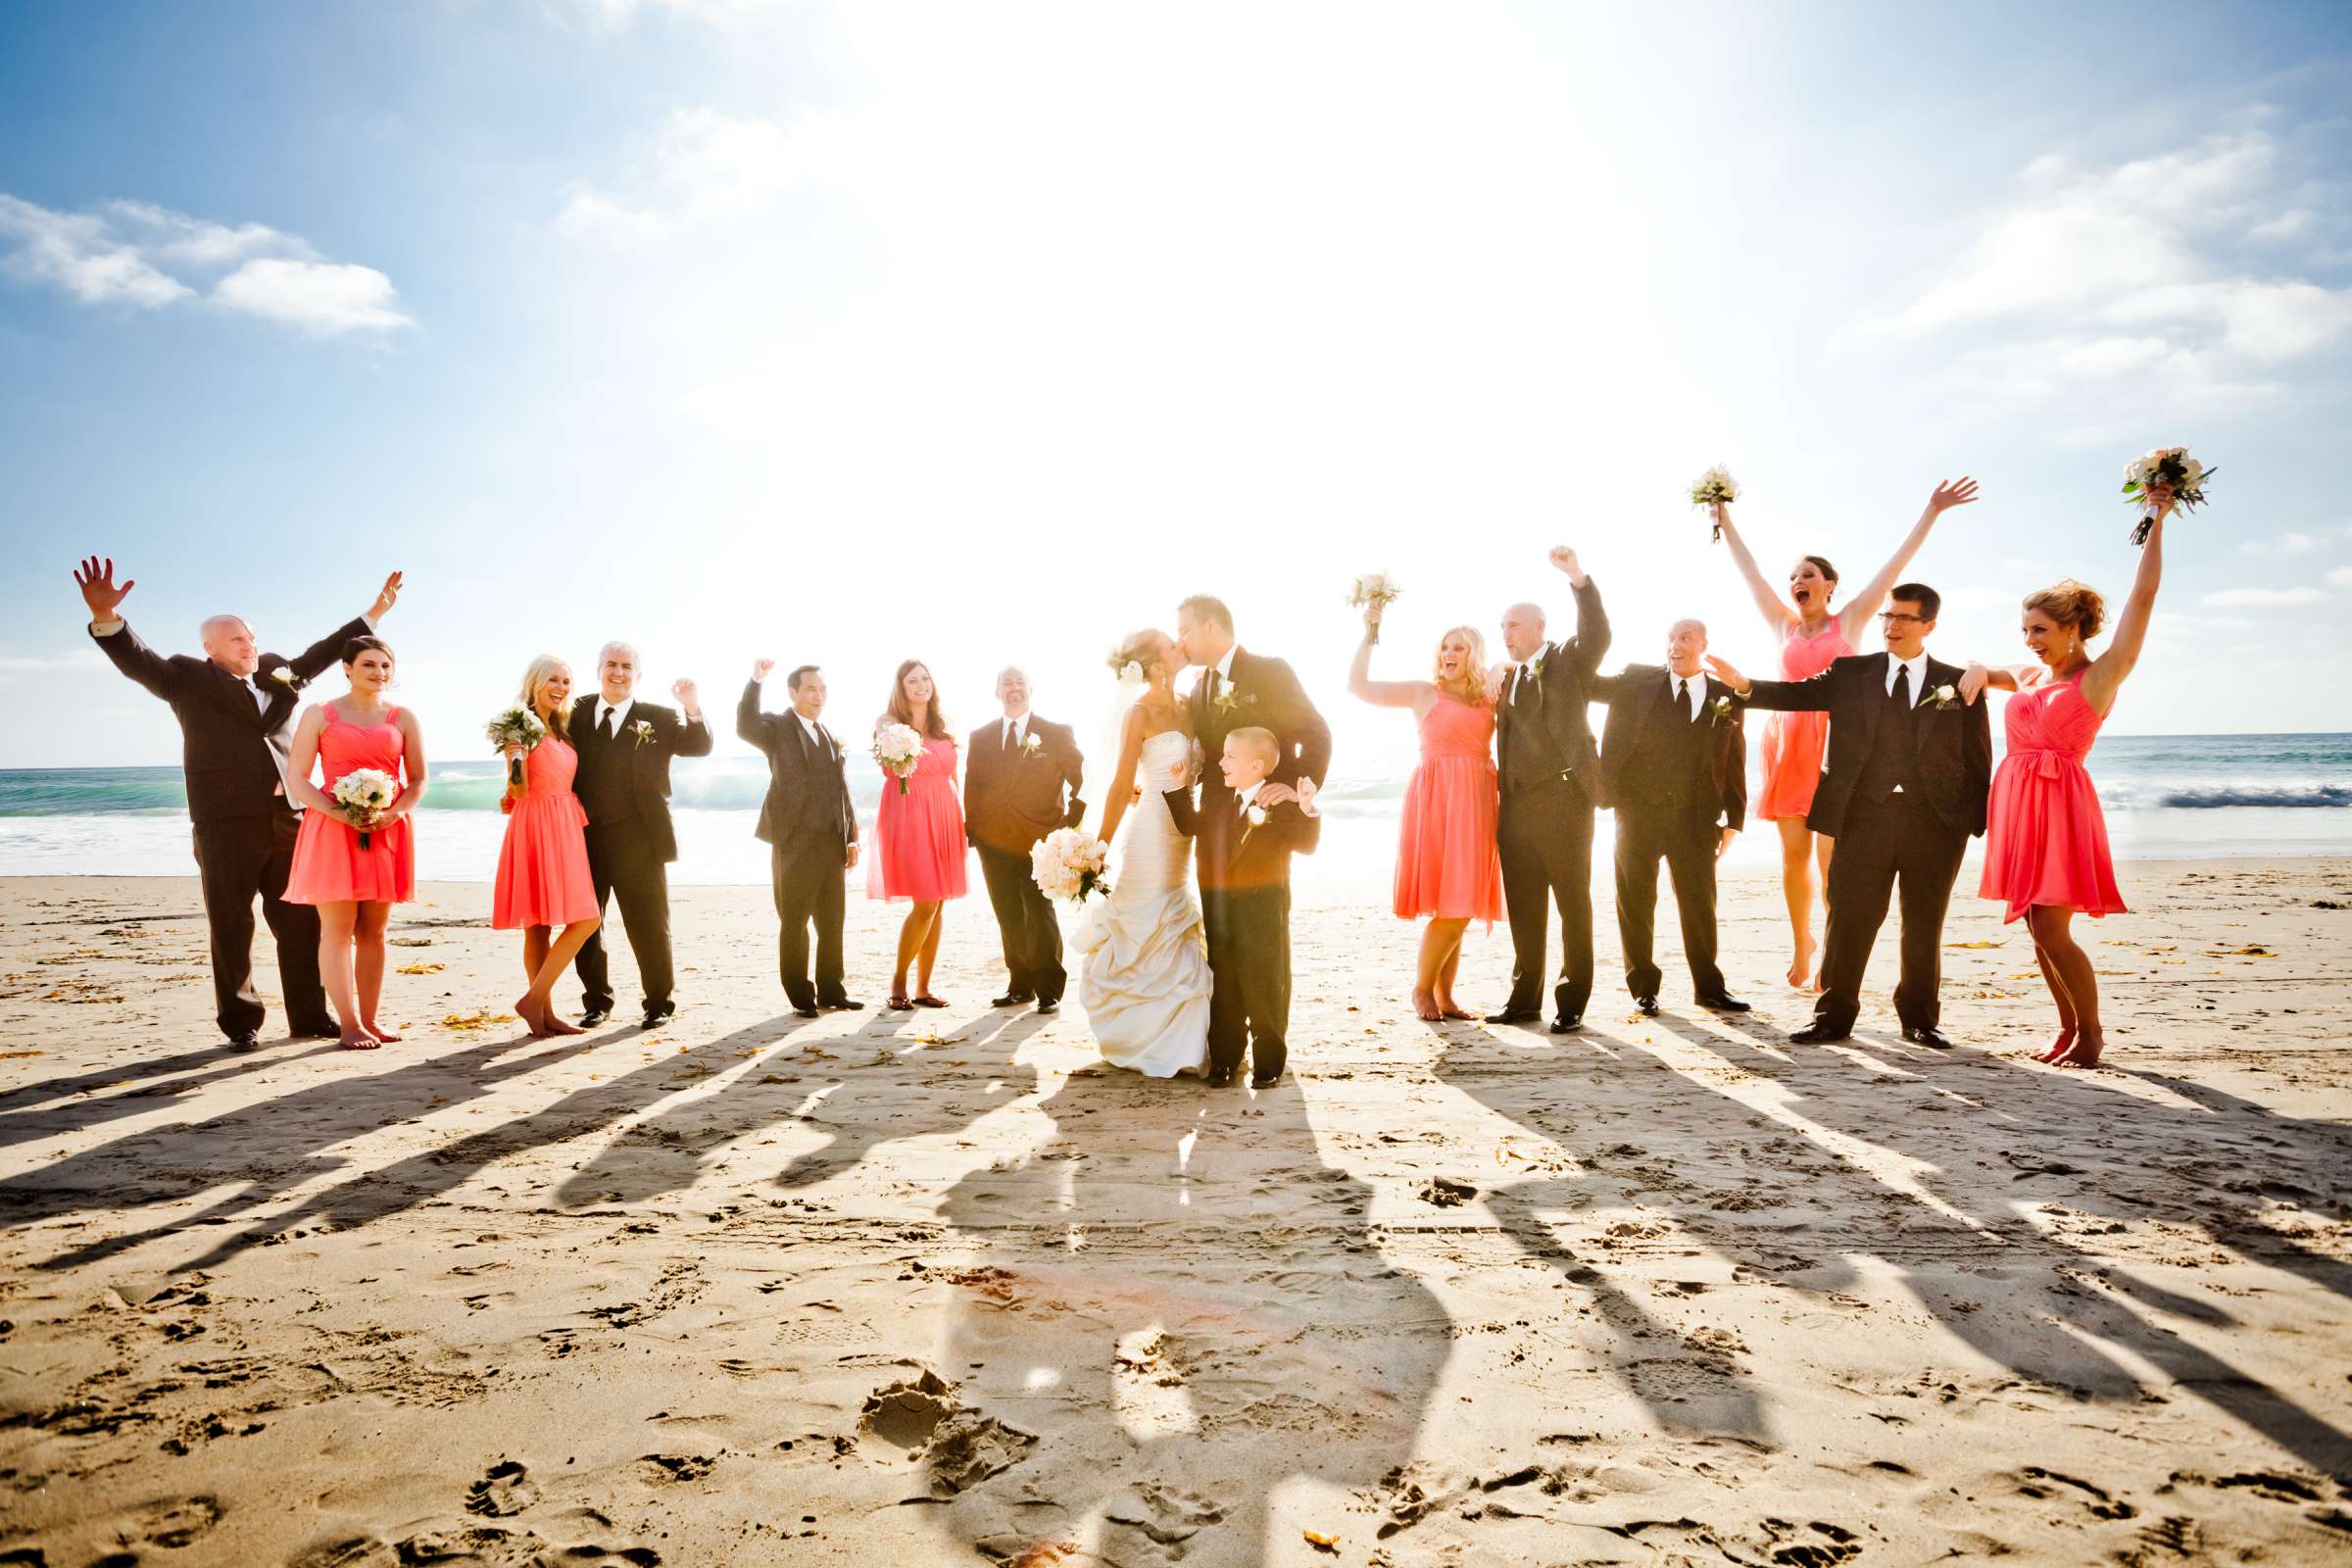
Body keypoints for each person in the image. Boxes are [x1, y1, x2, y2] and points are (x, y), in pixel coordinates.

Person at [74, 556, 402, 1050]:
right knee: (231, 921)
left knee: (301, 920)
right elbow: (139, 660)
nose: (247, 644)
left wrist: (373, 613)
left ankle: (310, 1016)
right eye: (235, 639)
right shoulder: (186, 679)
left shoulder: (276, 673)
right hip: (225, 821)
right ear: (210, 649)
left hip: (290, 816)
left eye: (249, 636)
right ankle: (241, 1020)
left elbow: (320, 652)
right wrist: (107, 621)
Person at [1710, 479, 1979, 989]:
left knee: (1833, 861)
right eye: (1793, 576)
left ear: (1830, 585)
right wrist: (1724, 518)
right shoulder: (1783, 624)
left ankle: (1834, 951)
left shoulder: (1851, 620)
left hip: (1840, 745)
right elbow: (1748, 572)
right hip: (1787, 741)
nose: (1797, 580)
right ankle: (1802, 944)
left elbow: (1894, 568)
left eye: (1808, 574)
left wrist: (1932, 509)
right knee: (1793, 856)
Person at [1707, 582, 1991, 1048]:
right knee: (1850, 918)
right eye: (1887, 616)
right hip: (1863, 817)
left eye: (1903, 618)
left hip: (1935, 824)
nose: (1891, 625)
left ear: (1929, 626)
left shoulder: (1957, 681)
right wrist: (1744, 686)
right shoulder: (1851, 671)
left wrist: (1970, 821)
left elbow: (1977, 756)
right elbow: (1795, 696)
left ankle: (1919, 1019)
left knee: (1924, 922)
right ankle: (1833, 1017)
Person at [1966, 496, 2172, 1069]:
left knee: (2053, 928)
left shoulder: (2100, 676)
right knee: (2036, 927)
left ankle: (2092, 1034)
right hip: (2019, 806)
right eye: (2025, 629)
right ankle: (2066, 1029)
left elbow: (2143, 598)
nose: (2030, 639)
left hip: (2059, 807)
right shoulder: (2032, 673)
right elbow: (1997, 675)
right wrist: (1980, 670)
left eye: (2040, 629)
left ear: (2074, 627)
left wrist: (2156, 521)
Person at [1175, 594, 1332, 1059]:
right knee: (1221, 938)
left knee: (1265, 941)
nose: (1181, 640)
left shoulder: (1270, 671)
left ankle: (1269, 1045)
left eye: (1185, 630)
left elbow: (1316, 733)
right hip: (1216, 831)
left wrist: (1296, 788)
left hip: (1265, 828)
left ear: (1209, 627)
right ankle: (1227, 1046)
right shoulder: (1200, 688)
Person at [1347, 609, 1501, 1021]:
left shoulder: (1488, 697)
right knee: (1451, 906)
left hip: (1477, 799)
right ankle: (1421, 991)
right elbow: (1358, 686)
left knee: (1461, 902)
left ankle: (1446, 996)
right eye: (1445, 647)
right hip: (1437, 797)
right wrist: (1369, 633)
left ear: (1474, 655)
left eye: (1459, 647)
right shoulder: (1422, 692)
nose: (1449, 653)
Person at [1587, 620, 1746, 1018]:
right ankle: (1643, 989)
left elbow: (1735, 760)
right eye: (1671, 639)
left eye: (1685, 639)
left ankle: (1709, 989)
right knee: (1636, 901)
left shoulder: (1725, 694)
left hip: (1696, 817)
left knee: (1700, 903)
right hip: (1637, 813)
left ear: (1703, 645)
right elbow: (1585, 684)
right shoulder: (1636, 679)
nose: (1675, 646)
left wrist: (1734, 820)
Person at [1075, 630, 1212, 1078]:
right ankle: (1140, 1038)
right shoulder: (1139, 712)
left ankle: (1179, 1038)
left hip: (1182, 837)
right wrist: (1099, 847)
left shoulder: (1195, 703)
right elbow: (1120, 785)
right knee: (1143, 924)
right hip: (1150, 832)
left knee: (1173, 925)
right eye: (1172, 645)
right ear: (1156, 666)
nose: (1181, 644)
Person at [281, 636, 427, 1049]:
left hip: (386, 828)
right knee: (337, 929)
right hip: (331, 827)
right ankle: (347, 1023)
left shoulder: (402, 717)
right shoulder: (319, 714)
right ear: (347, 668)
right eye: (369, 665)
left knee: (374, 931)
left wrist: (391, 813)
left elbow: (417, 779)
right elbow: (298, 778)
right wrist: (340, 812)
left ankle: (370, 1018)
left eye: (385, 666)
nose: (379, 673)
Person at [1487, 548, 1608, 1032]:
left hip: (1564, 801)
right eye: (1502, 628)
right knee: (1524, 905)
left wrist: (1577, 578)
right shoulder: (1505, 677)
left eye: (1512, 626)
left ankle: (1572, 1000)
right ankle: (1524, 999)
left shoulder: (1566, 660)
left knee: (1572, 903)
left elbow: (1597, 632)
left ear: (1538, 627)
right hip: (1515, 807)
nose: (1506, 634)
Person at [1162, 725, 1320, 1088]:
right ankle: (1225, 1059)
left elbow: (1306, 843)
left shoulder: (1279, 804)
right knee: (1226, 987)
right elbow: (1190, 826)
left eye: (1231, 755)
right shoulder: (1220, 803)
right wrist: (1178, 787)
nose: (1221, 760)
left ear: (1257, 766)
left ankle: (1269, 1062)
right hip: (1224, 914)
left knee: (1266, 987)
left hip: (1263, 915)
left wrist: (1307, 806)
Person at [568, 641, 711, 1028]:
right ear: (599, 669)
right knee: (585, 924)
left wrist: (693, 707)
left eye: (626, 666)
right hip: (583, 836)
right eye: (611, 665)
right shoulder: (575, 711)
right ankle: (597, 1001)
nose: (618, 672)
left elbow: (699, 747)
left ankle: (659, 1003)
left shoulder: (660, 716)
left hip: (641, 838)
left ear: (638, 675)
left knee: (648, 924)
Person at [741, 662, 861, 1020]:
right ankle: (800, 994)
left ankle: (831, 989)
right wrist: (755, 681)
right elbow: (745, 724)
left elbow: (842, 790)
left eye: (823, 689)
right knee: (794, 920)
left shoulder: (829, 735)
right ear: (793, 693)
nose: (819, 695)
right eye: (811, 688)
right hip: (793, 840)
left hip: (831, 841)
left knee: (832, 921)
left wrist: (852, 836)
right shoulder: (777, 728)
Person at [965, 666, 1086, 1014]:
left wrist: (1068, 826)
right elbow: (973, 785)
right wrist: (975, 831)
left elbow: (1081, 780)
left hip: (1041, 838)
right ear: (997, 692)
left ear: (1031, 688)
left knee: (1038, 909)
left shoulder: (1056, 732)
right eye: (1007, 683)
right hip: (994, 839)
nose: (1014, 688)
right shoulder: (981, 736)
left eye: (1019, 682)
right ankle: (1020, 984)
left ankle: (1048, 987)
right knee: (1007, 911)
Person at [492, 656, 602, 1038]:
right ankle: (539, 1005)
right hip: (535, 821)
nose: (560, 687)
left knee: (577, 919)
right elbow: (519, 788)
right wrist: (515, 760)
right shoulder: (520, 727)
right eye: (552, 679)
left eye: (566, 681)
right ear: (535, 682)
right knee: (540, 925)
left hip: (565, 821)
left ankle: (539, 1005)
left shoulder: (562, 728)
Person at [868, 660, 969, 1009]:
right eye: (912, 680)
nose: (920, 684)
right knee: (925, 901)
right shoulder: (888, 724)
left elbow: (955, 776)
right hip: (909, 814)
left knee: (938, 903)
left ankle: (924, 987)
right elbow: (888, 769)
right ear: (901, 686)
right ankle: (899, 981)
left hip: (945, 814)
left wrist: (963, 820)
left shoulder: (944, 725)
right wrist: (896, 744)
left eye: (925, 678)